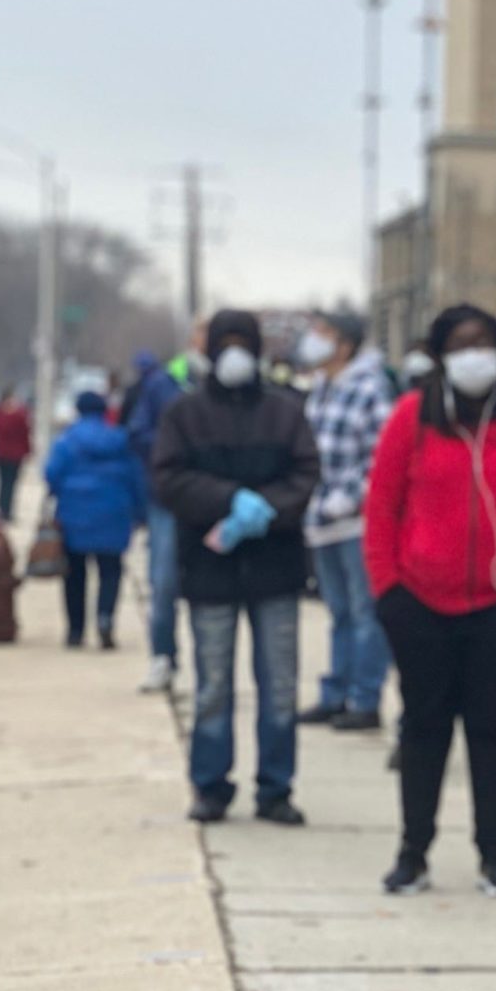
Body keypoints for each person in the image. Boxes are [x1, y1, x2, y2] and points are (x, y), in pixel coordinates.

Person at [363, 306, 496, 896]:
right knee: (423, 730)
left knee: (494, 731)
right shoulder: (411, 417)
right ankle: (413, 852)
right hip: (420, 605)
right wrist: (389, 590)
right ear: (439, 355)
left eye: (483, 342)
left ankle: (494, 855)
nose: (473, 353)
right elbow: (381, 507)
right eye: (460, 344)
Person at [150, 309, 321, 826]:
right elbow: (168, 479)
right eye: (224, 343)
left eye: (242, 342)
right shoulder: (184, 415)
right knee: (213, 684)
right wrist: (229, 501)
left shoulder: (286, 413)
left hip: (276, 566)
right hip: (210, 570)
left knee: (280, 685)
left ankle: (275, 786)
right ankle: (210, 784)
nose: (234, 353)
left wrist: (267, 509)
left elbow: (307, 472)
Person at [296, 311, 394, 731]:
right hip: (321, 519)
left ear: (345, 346)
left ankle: (364, 697)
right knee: (338, 612)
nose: (313, 341)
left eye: (324, 334)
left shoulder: (371, 389)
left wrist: (352, 497)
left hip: (358, 522)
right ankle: (335, 692)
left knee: (365, 611)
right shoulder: (319, 389)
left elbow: (384, 456)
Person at [41, 391, 145, 650]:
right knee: (110, 571)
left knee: (74, 574)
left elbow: (51, 474)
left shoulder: (66, 441)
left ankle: (75, 630)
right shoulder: (120, 441)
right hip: (113, 513)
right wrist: (139, 513)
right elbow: (137, 478)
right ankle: (105, 618)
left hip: (74, 514)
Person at [127, 340, 196, 695]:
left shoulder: (226, 386)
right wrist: (175, 448)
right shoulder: (162, 385)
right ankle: (163, 657)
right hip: (167, 499)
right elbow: (137, 433)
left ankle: (210, 666)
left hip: (210, 500)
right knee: (163, 582)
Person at [0, 388, 32, 521]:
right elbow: (26, 434)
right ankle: (6, 510)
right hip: (14, 454)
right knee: (10, 483)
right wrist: (28, 451)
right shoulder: (20, 414)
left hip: (3, 453)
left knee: (3, 482)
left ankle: (2, 509)